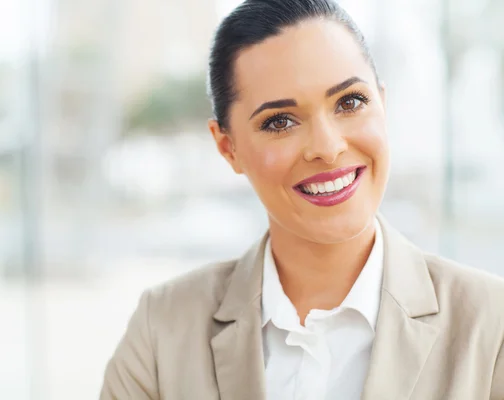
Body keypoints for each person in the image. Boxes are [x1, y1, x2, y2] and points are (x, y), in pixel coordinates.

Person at [101, 0, 504, 398]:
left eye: (350, 102)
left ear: (382, 104)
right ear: (228, 148)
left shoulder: (491, 327)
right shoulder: (162, 332)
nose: (327, 148)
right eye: (280, 122)